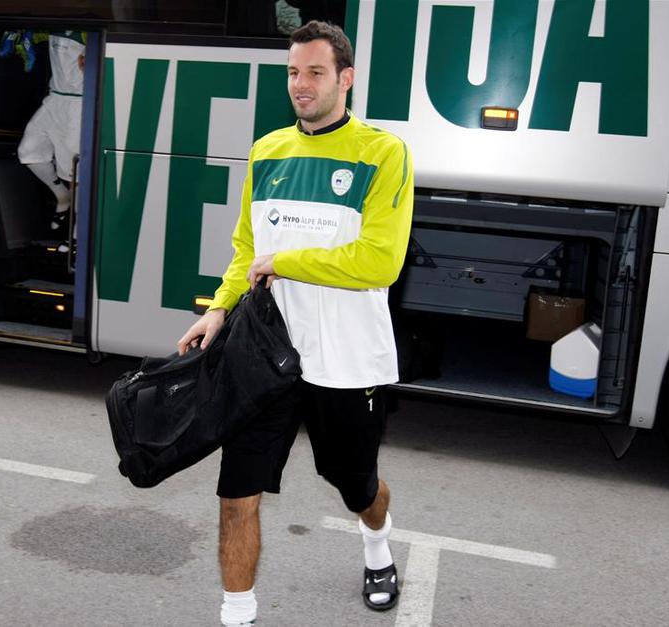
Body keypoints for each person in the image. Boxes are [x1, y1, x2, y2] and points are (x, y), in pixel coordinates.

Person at [176, 20, 413, 627]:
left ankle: (378, 543)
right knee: (237, 494)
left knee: (356, 484)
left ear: (346, 79)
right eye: (292, 72)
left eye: (315, 72)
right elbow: (246, 248)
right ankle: (237, 612)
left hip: (346, 359)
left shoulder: (383, 153)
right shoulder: (268, 150)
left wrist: (285, 262)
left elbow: (379, 263)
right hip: (266, 354)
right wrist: (219, 309)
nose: (300, 85)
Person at [14, 31, 86, 248]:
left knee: (75, 173)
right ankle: (62, 197)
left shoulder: (86, 28)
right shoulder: (57, 24)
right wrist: (22, 36)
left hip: (78, 103)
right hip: (54, 98)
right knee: (28, 151)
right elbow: (37, 35)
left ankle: (77, 235)